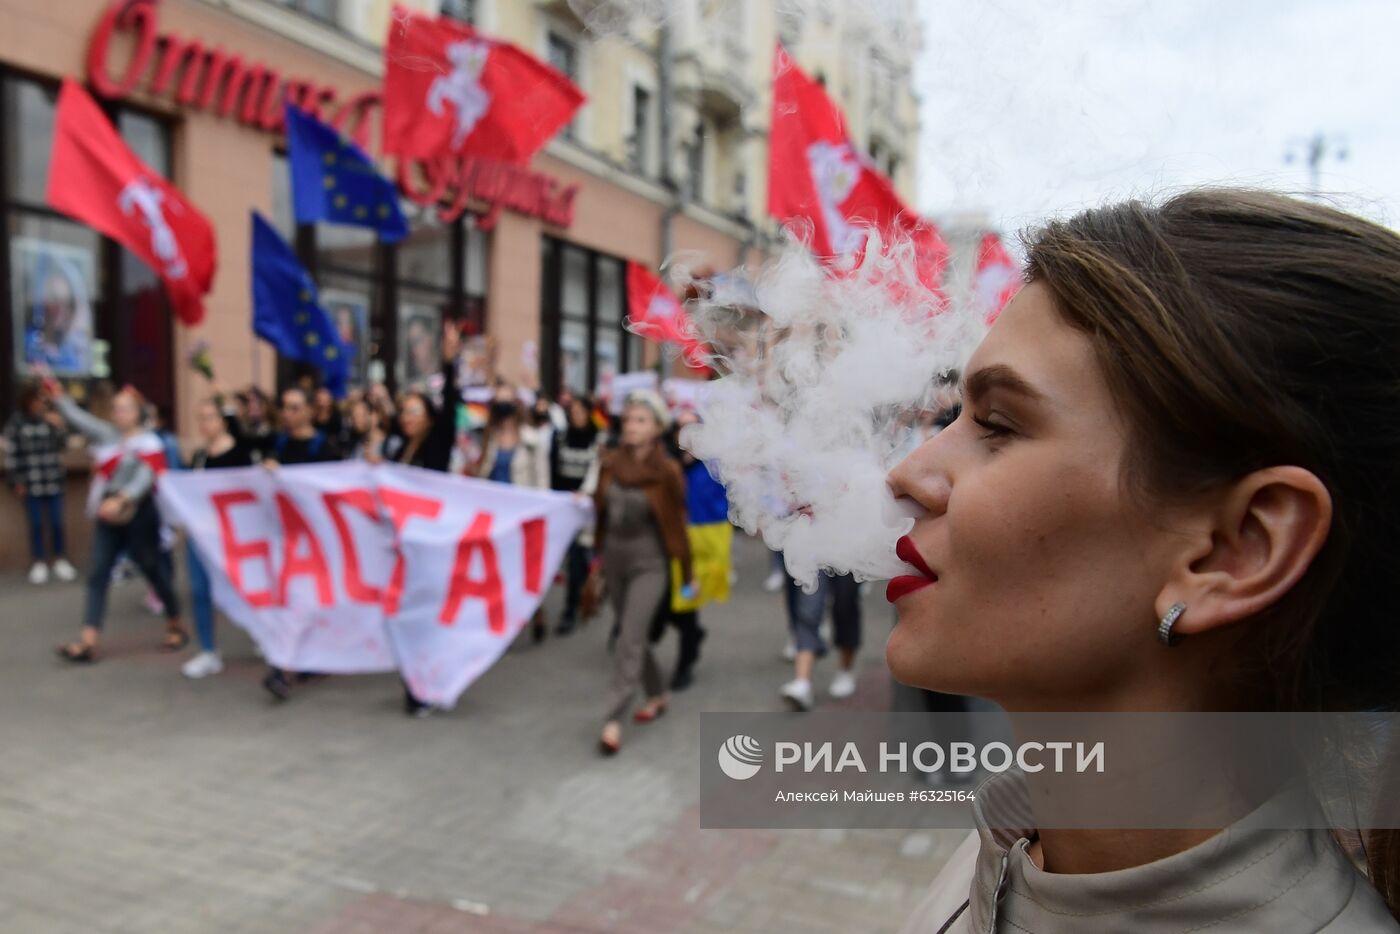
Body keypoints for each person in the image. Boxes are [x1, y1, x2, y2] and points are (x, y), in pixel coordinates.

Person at [893, 190, 1400, 932]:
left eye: (998, 424)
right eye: (956, 420)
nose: (906, 474)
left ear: (1236, 551)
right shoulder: (1015, 840)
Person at [588, 391, 695, 755]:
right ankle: (657, 692)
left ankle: (613, 718)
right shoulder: (610, 462)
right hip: (613, 558)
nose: (631, 426)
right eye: (628, 419)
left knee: (627, 638)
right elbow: (599, 509)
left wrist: (687, 569)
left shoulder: (667, 471)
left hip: (650, 563)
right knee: (634, 637)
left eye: (640, 420)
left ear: (657, 428)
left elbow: (677, 523)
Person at [50, 381, 187, 662]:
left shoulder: (150, 442)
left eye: (126, 409)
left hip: (139, 513)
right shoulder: (107, 436)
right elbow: (79, 419)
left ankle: (174, 621)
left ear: (138, 412)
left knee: (150, 567)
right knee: (98, 572)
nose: (120, 414)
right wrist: (60, 397)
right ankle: (88, 641)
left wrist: (122, 500)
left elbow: (147, 476)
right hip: (107, 512)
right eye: (116, 409)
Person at [384, 322, 463, 715]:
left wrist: (450, 363)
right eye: (403, 412)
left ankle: (425, 687)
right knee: (409, 618)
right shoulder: (401, 447)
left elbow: (451, 405)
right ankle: (421, 683)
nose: (406, 417)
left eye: (414, 411)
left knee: (428, 620)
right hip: (407, 545)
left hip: (433, 545)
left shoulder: (436, 443)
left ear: (429, 417)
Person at [260, 386, 341, 700]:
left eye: (294, 407)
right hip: (285, 535)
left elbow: (329, 490)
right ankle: (302, 661)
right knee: (291, 602)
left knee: (300, 603)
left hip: (314, 540)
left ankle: (282, 669)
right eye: (285, 407)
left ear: (309, 411)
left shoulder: (325, 447)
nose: (288, 414)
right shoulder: (278, 443)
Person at [179, 392, 256, 679]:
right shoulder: (199, 456)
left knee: (246, 590)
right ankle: (209, 651)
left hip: (232, 537)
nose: (204, 424)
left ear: (223, 421)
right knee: (199, 591)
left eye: (210, 417)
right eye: (200, 419)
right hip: (202, 535)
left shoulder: (240, 453)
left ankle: (264, 635)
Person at [5, 381, 76, 585]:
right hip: (31, 481)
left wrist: (60, 426)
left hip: (53, 479)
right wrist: (17, 480)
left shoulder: (50, 419)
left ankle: (60, 559)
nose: (41, 403)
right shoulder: (18, 422)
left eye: (44, 399)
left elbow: (64, 444)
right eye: (38, 399)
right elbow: (13, 454)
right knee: (36, 524)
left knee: (56, 522)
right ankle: (39, 561)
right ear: (28, 400)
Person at [548, 393, 602, 635]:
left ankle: (571, 609)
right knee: (567, 557)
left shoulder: (599, 439)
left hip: (587, 507)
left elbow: (598, 472)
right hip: (564, 505)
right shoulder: (559, 437)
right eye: (574, 411)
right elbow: (552, 469)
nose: (577, 416)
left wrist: (586, 495)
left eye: (582, 411)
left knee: (579, 557)